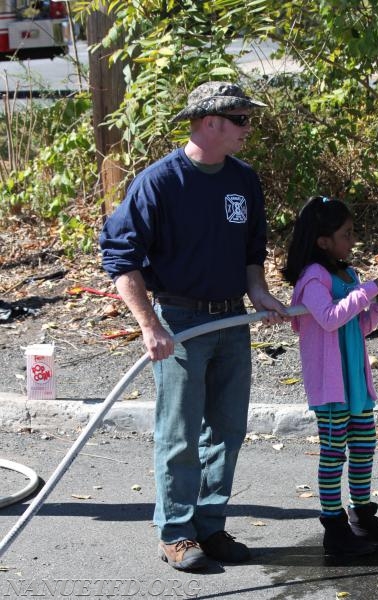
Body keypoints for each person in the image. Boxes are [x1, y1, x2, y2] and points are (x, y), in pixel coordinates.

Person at [99, 81, 287, 572]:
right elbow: (121, 259)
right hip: (179, 322)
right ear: (211, 122)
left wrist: (260, 293)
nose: (250, 129)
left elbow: (252, 251)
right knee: (179, 433)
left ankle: (210, 525)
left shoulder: (244, 180)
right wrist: (149, 325)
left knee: (226, 428)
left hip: (232, 318)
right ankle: (177, 533)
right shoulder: (159, 182)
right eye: (242, 120)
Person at [282, 195, 378, 561]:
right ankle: (333, 526)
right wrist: (370, 290)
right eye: (346, 233)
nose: (353, 240)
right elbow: (331, 317)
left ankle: (363, 515)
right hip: (330, 386)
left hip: (354, 381)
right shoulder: (313, 279)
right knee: (334, 453)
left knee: (364, 447)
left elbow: (357, 325)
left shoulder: (347, 274)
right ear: (323, 240)